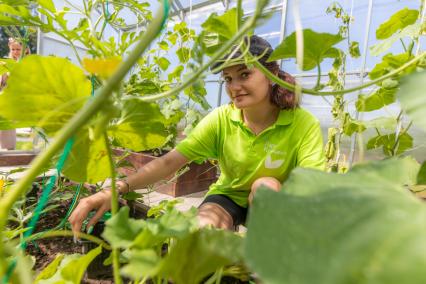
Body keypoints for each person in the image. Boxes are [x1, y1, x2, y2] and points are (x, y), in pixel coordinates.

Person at [68, 35, 325, 233]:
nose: (234, 87)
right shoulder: (222, 119)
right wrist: (117, 188)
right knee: (201, 230)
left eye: (244, 74)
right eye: (228, 78)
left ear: (272, 75)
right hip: (228, 196)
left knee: (265, 186)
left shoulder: (302, 123)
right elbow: (170, 162)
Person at [0, 38, 28, 150]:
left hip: (13, 100)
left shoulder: (26, 64)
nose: (15, 52)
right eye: (13, 49)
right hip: (3, 96)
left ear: (24, 50)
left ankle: (8, 151)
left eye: (18, 49)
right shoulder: (5, 63)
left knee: (8, 127)